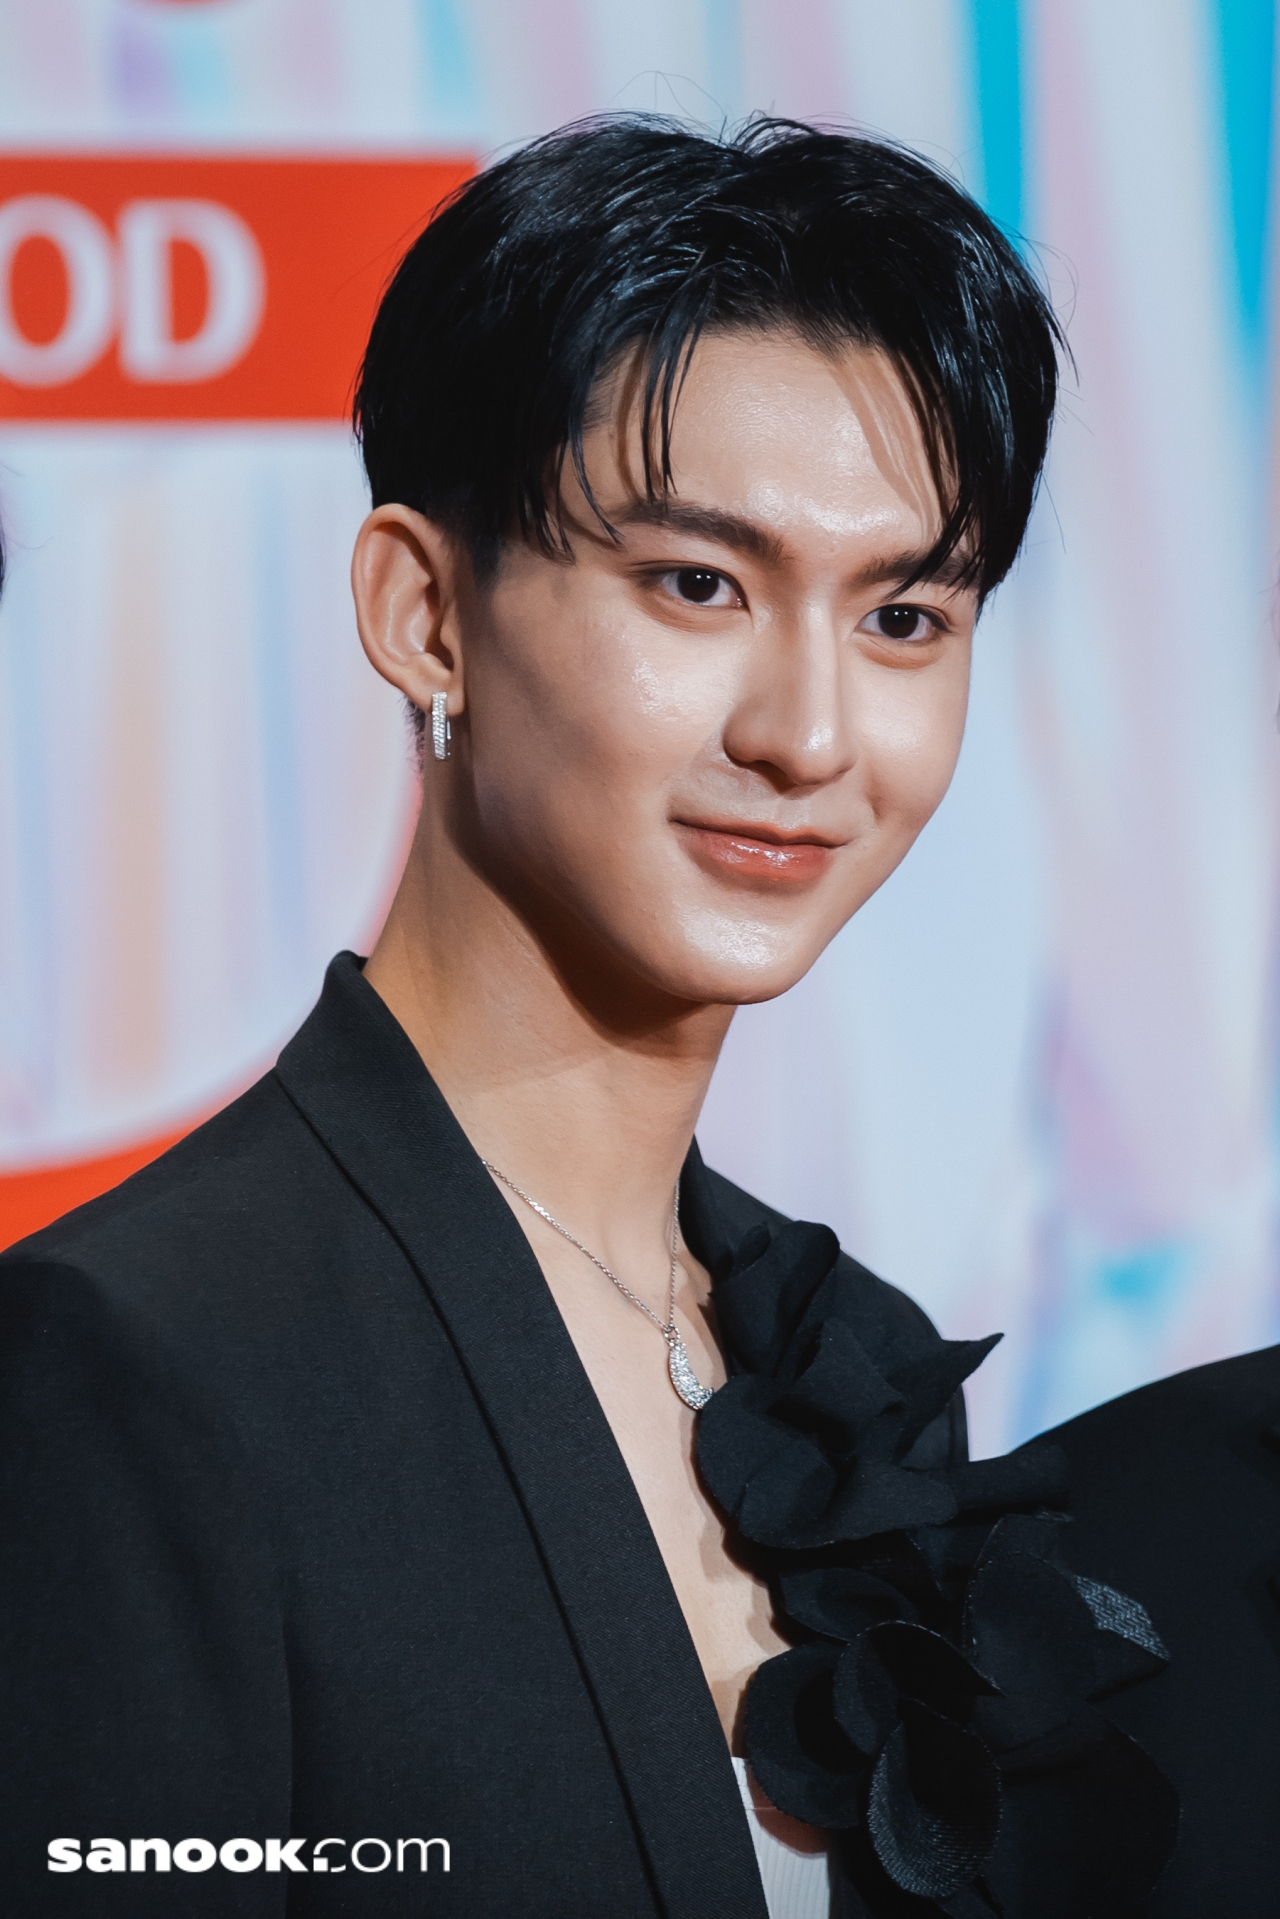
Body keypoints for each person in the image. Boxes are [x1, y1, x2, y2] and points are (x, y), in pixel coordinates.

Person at [0, 117, 1183, 1917]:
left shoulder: (854, 1367)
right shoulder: (138, 1363)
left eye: (904, 616)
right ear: (425, 614)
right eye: (698, 584)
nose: (808, 734)